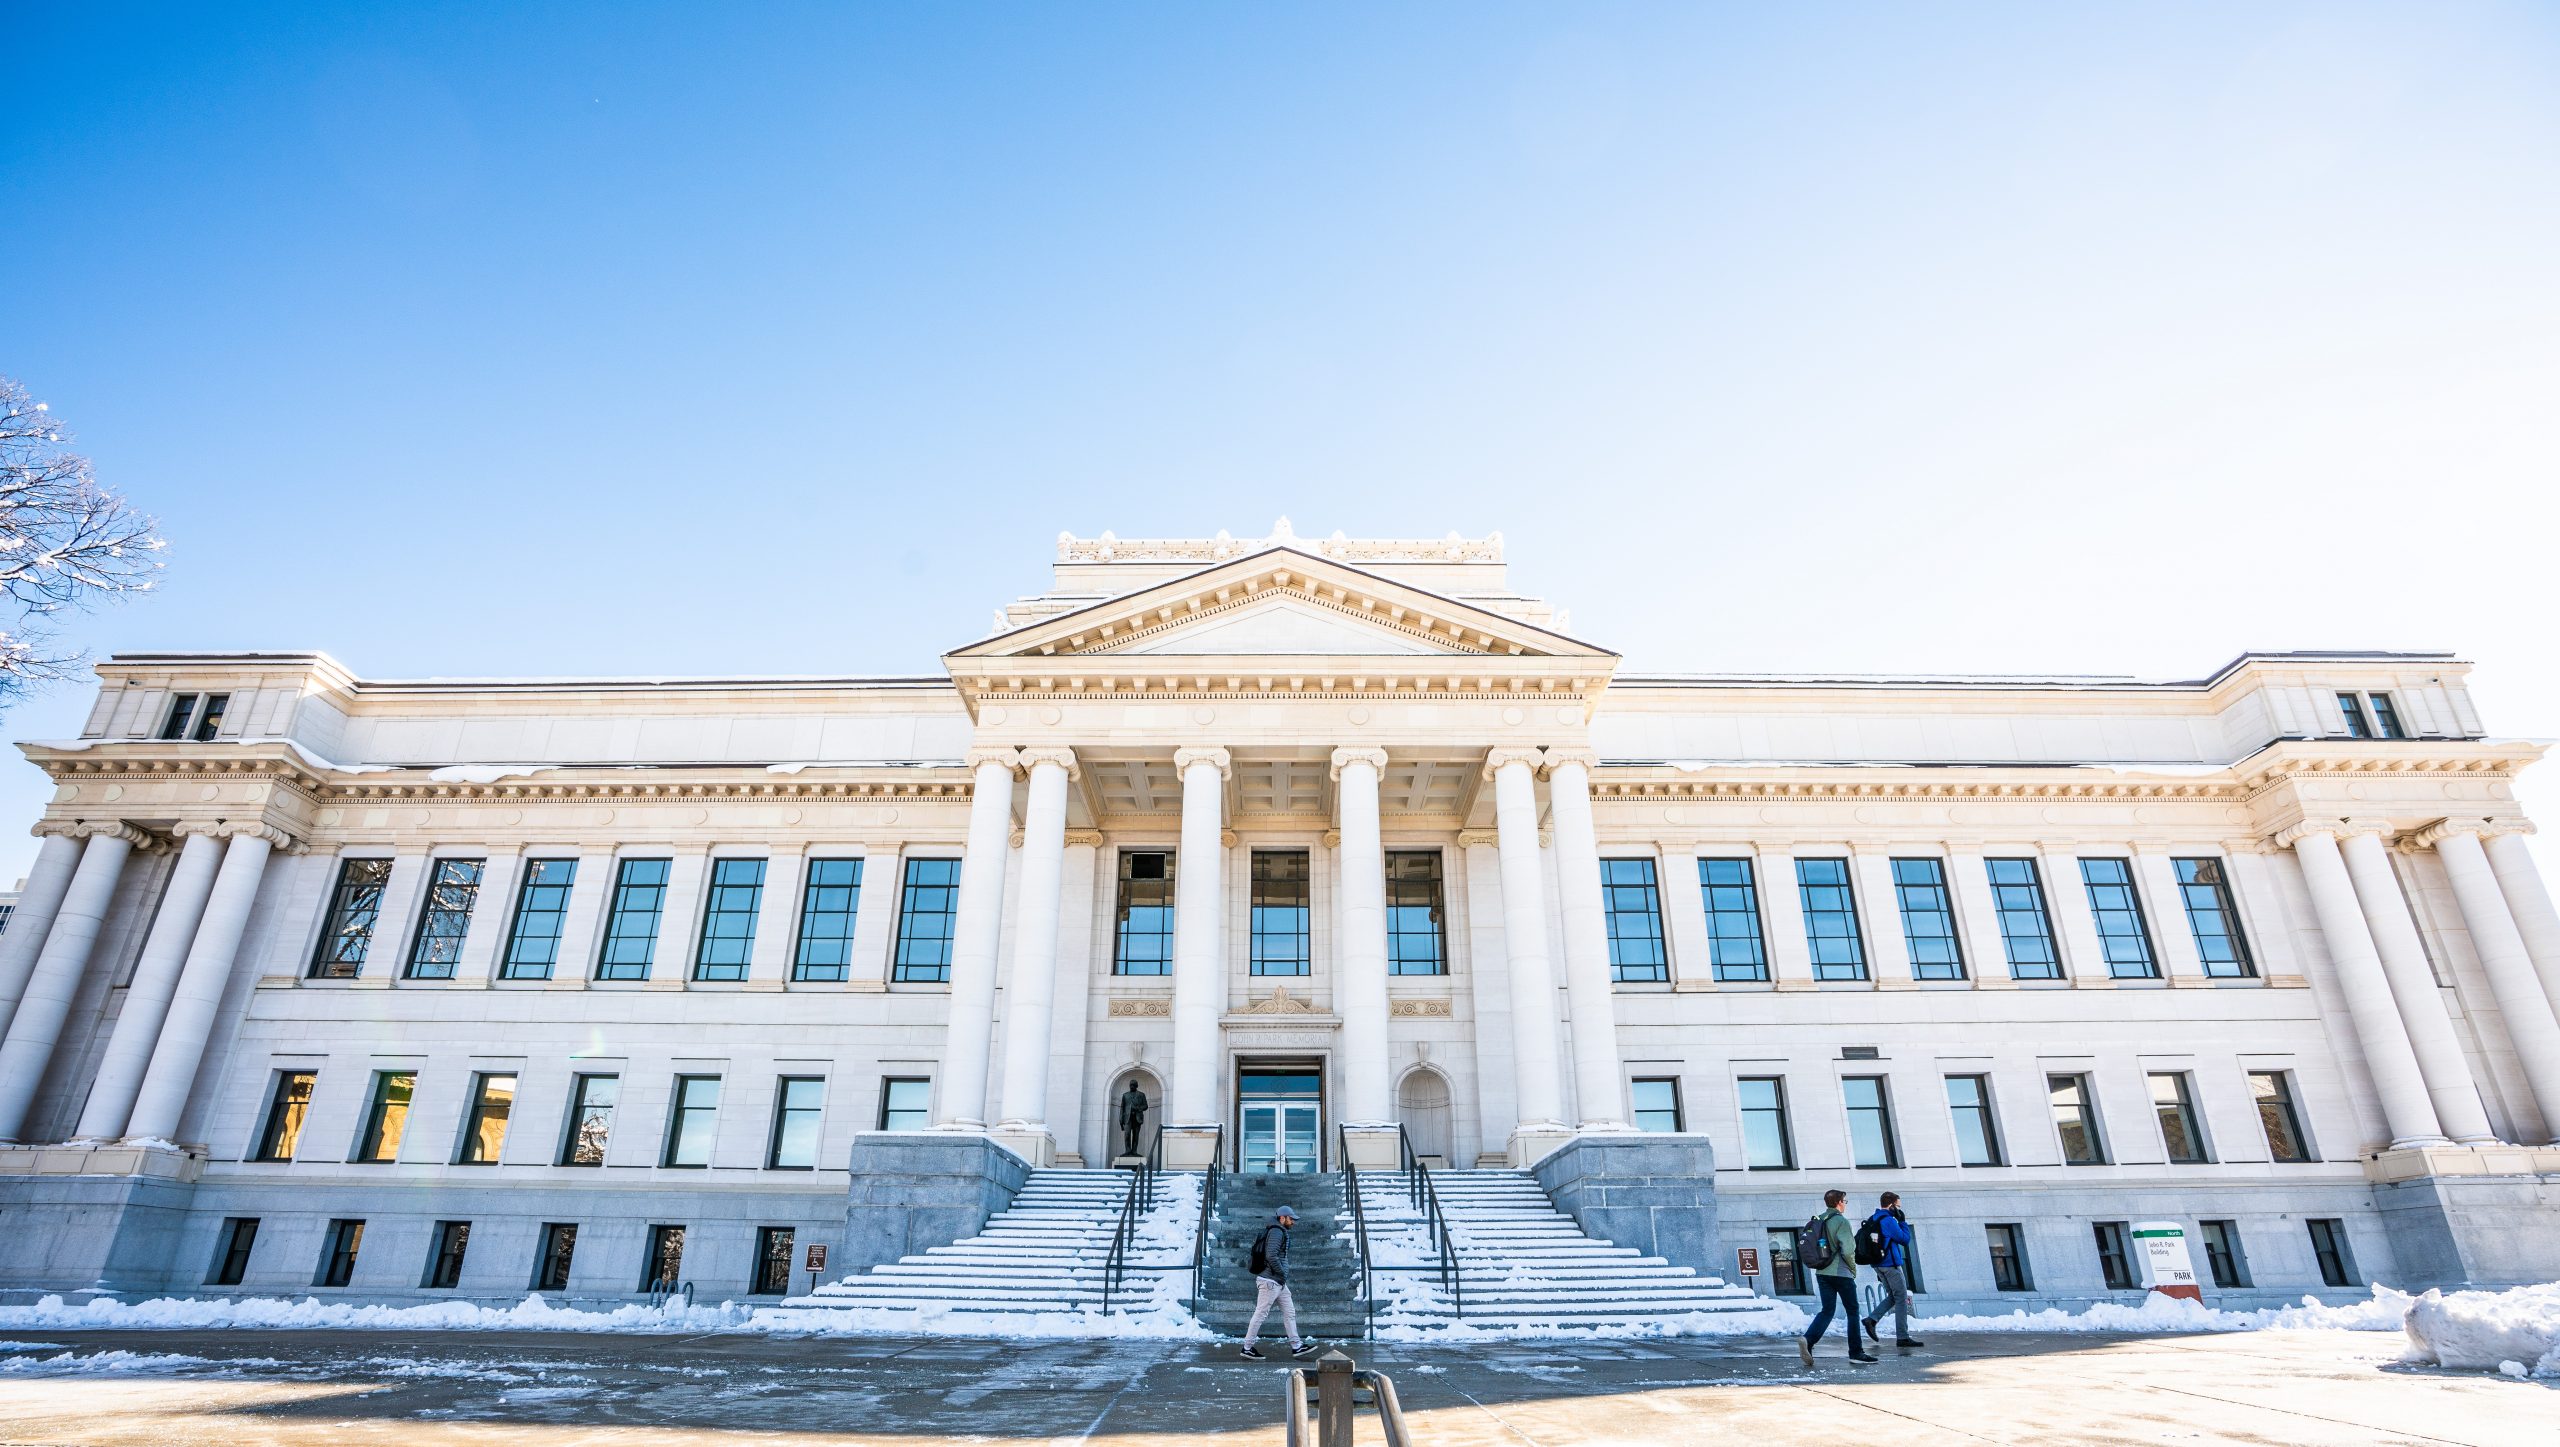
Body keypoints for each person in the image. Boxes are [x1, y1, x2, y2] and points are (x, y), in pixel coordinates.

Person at [1797, 1188, 1875, 1366]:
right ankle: (1856, 1352)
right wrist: (1853, 1269)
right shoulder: (1841, 1222)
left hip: (1822, 1272)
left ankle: (1808, 1340)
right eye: (1844, 1201)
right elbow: (1848, 1250)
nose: (1845, 1204)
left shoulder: (1820, 1219)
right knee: (1853, 1312)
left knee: (1827, 1310)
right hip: (1841, 1273)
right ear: (1839, 1202)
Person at [1240, 1205, 1317, 1360]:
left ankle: (1296, 1346)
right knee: (1261, 1313)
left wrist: (1281, 1276)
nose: (1293, 1222)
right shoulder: (1276, 1231)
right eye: (1291, 1219)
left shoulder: (1279, 1230)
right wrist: (1281, 1272)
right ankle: (1247, 1347)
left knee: (1290, 1312)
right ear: (1282, 1218)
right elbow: (1271, 1255)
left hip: (1279, 1282)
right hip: (1270, 1281)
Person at [1861, 1191, 1924, 1350]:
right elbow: (1904, 1239)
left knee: (1894, 1296)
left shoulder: (1873, 1218)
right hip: (1890, 1264)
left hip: (1878, 1264)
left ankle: (1872, 1320)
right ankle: (1902, 1337)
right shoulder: (1888, 1220)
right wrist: (1902, 1221)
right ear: (1891, 1206)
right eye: (1898, 1206)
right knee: (1901, 1296)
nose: (1899, 1209)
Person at [1116, 1082, 1151, 1159]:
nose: (1131, 1087)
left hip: (1137, 1117)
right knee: (1127, 1134)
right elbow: (1122, 1108)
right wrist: (1120, 1119)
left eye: (1133, 1085)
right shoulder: (1125, 1095)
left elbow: (1145, 1106)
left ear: (1136, 1086)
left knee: (1136, 1136)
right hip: (1127, 1118)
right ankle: (1128, 1150)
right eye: (1130, 1085)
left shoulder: (1141, 1095)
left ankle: (1134, 1151)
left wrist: (1138, 1108)